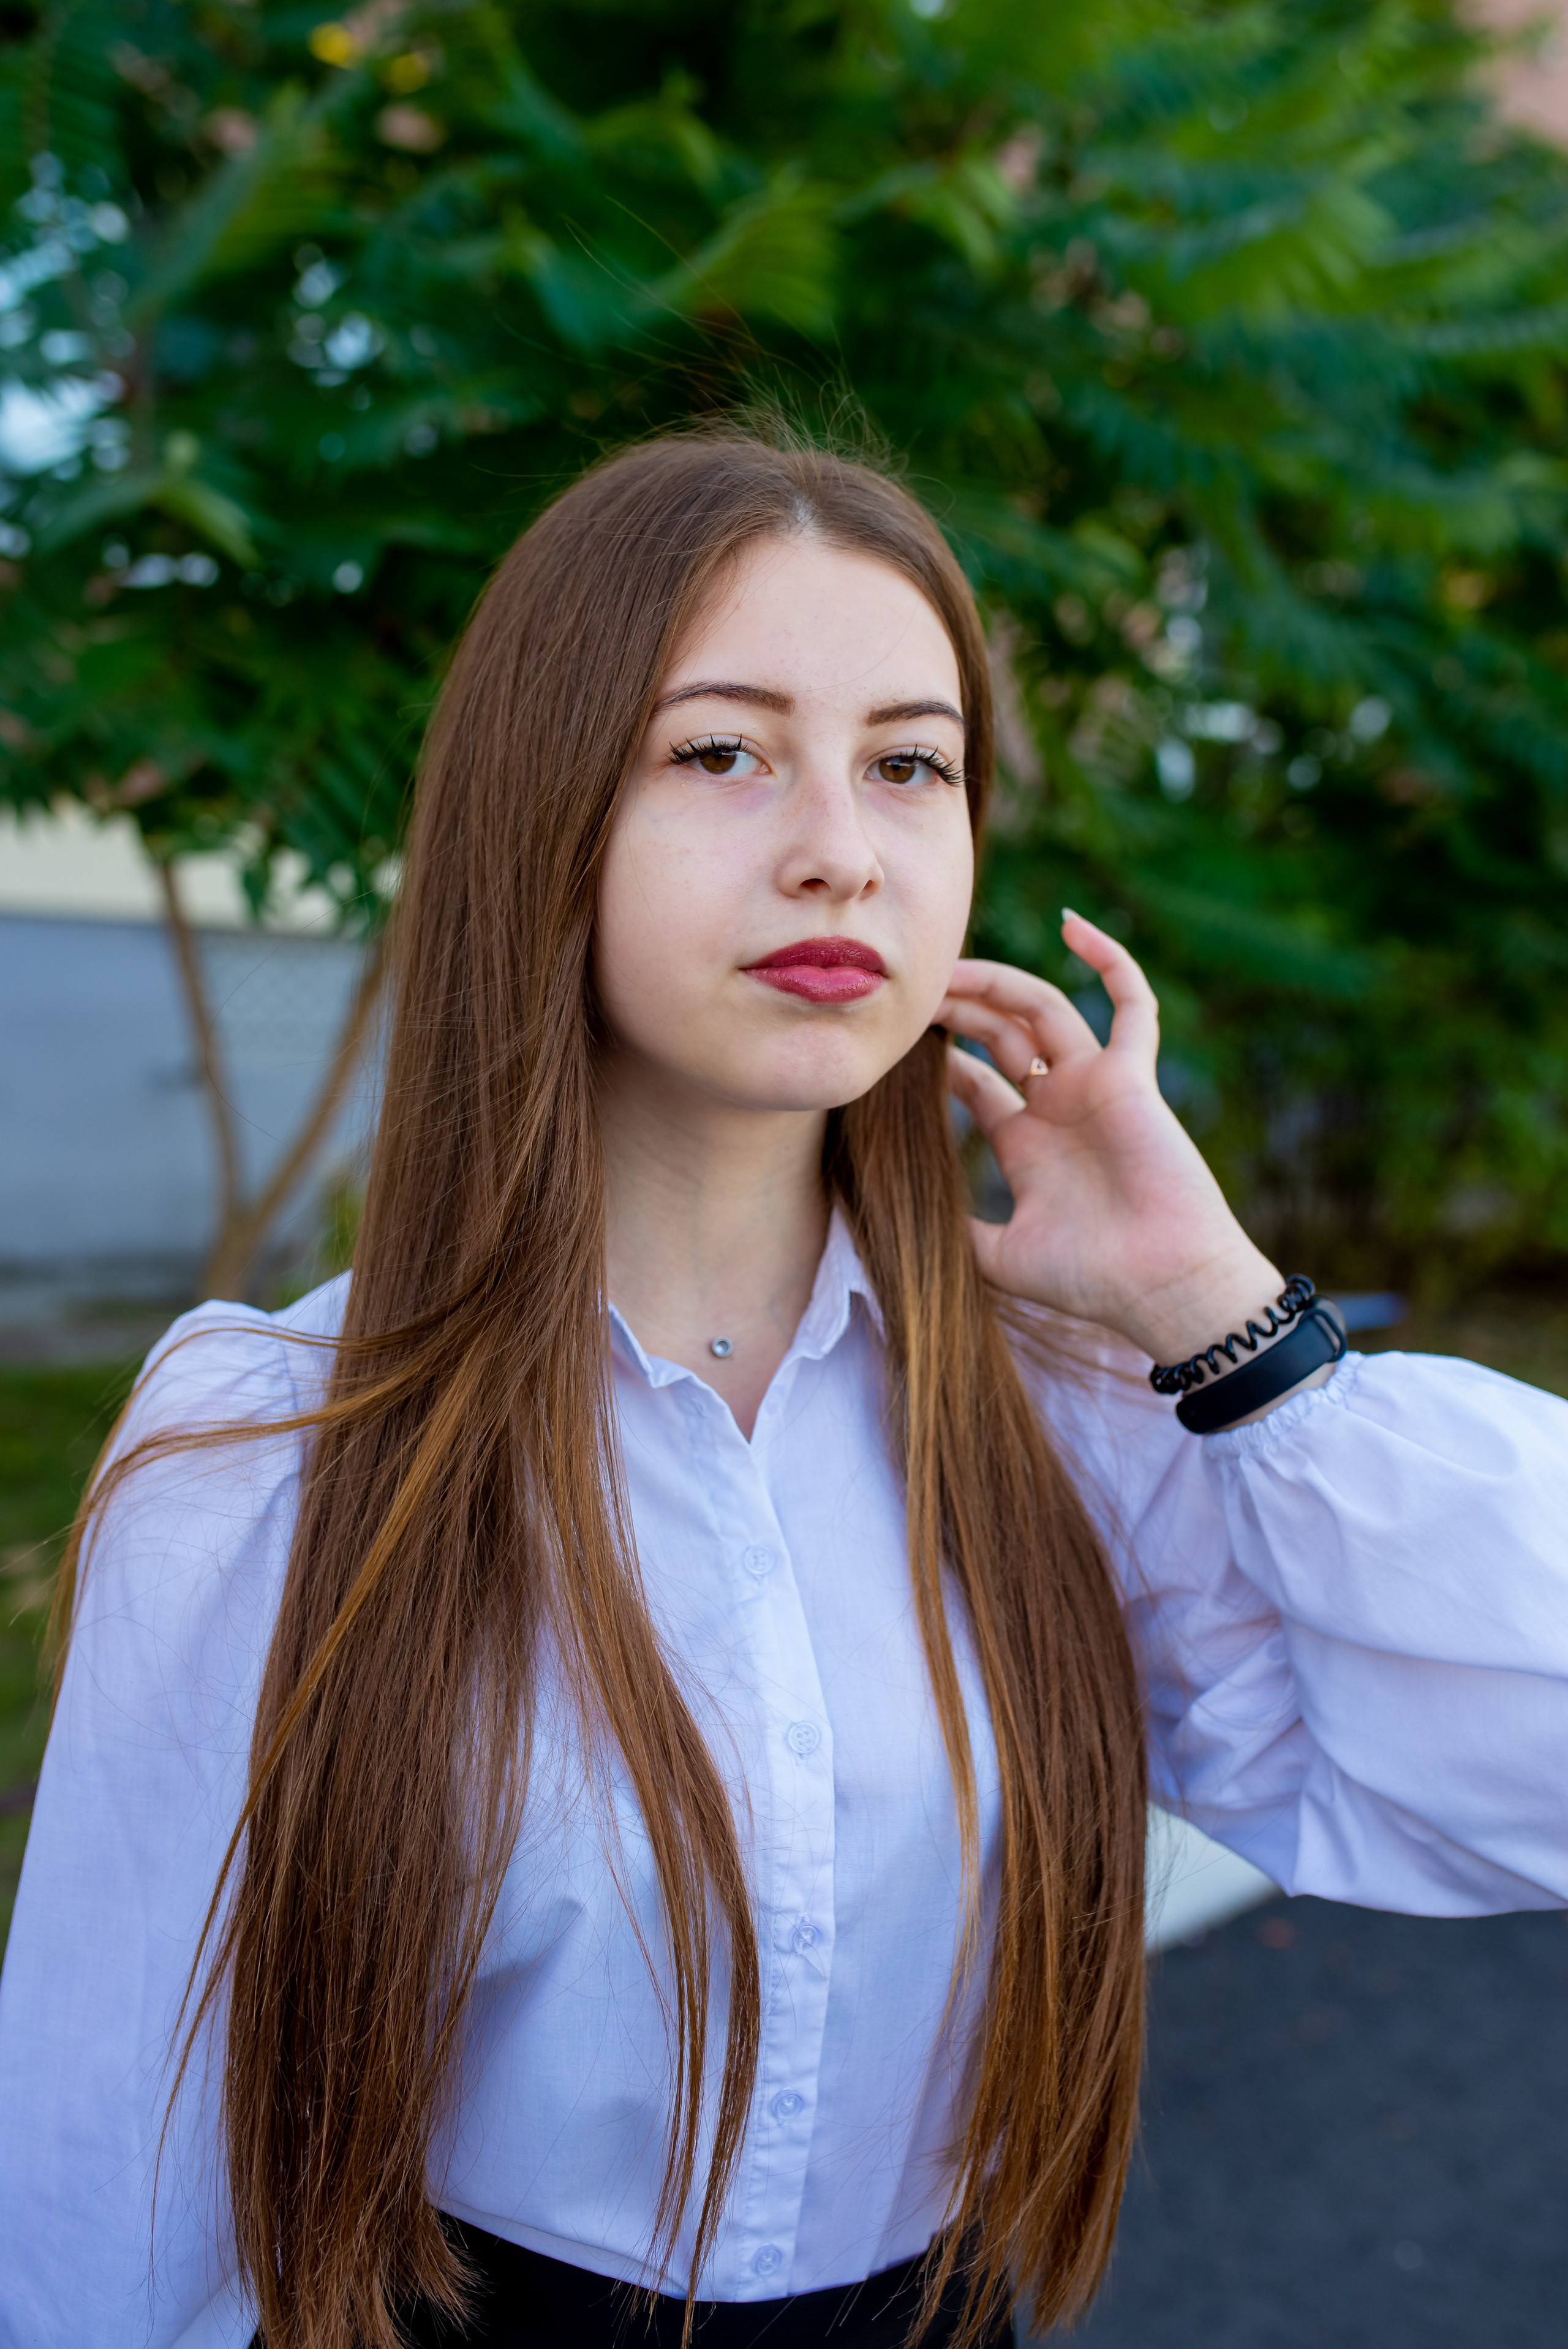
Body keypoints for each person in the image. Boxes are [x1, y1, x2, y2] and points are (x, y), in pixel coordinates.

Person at [2, 432, 1566, 2349]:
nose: (842, 845)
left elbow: (1535, 1769)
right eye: (723, 751)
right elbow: (103, 2187)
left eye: (910, 764)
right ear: (541, 809)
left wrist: (1215, 1304)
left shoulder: (1066, 1419)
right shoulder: (270, 1453)